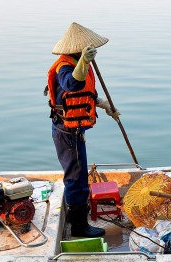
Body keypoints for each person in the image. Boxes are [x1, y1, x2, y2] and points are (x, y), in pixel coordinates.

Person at [46, 22, 119, 237]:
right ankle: (79, 226)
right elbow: (71, 85)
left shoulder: (79, 63)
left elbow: (85, 95)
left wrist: (106, 105)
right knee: (76, 178)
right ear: (77, 49)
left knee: (77, 174)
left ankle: (76, 217)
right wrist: (84, 63)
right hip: (67, 132)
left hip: (74, 129)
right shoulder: (65, 66)